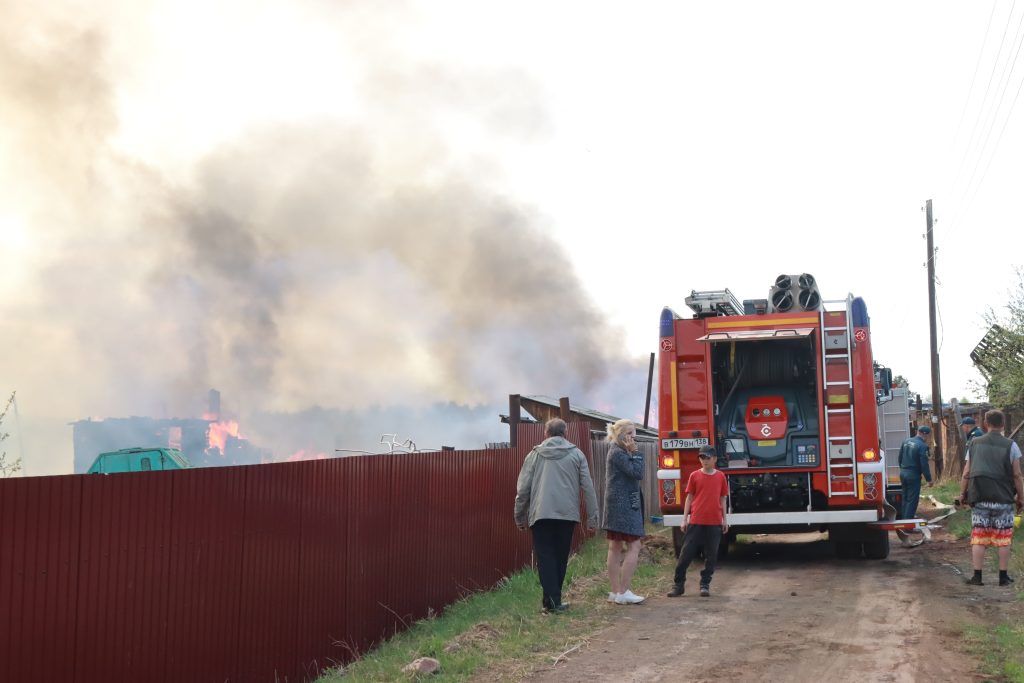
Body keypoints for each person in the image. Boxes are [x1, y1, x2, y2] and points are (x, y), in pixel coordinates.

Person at [514, 418, 599, 613]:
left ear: (546, 433)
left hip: (540, 515)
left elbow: (523, 489)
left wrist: (519, 516)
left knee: (545, 558)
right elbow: (588, 487)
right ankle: (553, 601)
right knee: (560, 557)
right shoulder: (577, 454)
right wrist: (593, 518)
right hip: (567, 515)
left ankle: (551, 601)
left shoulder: (534, 455)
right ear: (565, 433)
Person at [960, 409, 1024, 587]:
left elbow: (966, 472)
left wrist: (962, 494)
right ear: (1003, 424)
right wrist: (1021, 498)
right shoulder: (1011, 445)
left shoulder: (974, 443)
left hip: (980, 497)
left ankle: (977, 577)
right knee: (1003, 538)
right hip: (1003, 499)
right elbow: (1017, 474)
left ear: (986, 423)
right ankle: (1003, 577)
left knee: (979, 537)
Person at [667, 445, 728, 598]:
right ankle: (678, 585)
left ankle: (705, 584)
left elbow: (723, 498)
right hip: (696, 521)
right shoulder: (694, 476)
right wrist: (684, 518)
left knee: (712, 555)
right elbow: (689, 497)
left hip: (714, 522)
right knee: (686, 554)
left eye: (707, 458)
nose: (704, 461)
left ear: (714, 459)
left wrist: (724, 519)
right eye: (702, 458)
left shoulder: (720, 476)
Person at [601, 419, 646, 605]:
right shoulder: (619, 453)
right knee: (634, 546)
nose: (633, 438)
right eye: (630, 434)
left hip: (618, 504)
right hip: (623, 505)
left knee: (616, 547)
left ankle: (615, 592)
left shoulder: (617, 450)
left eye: (634, 434)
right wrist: (635, 453)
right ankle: (623, 591)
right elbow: (638, 473)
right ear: (621, 435)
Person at [898, 425, 933, 520]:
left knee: (905, 498)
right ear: (924, 434)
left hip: (903, 473)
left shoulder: (906, 441)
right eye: (928, 436)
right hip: (913, 475)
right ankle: (908, 526)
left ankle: (903, 522)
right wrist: (929, 479)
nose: (927, 438)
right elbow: (924, 464)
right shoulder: (922, 446)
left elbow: (900, 458)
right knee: (912, 500)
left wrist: (903, 469)